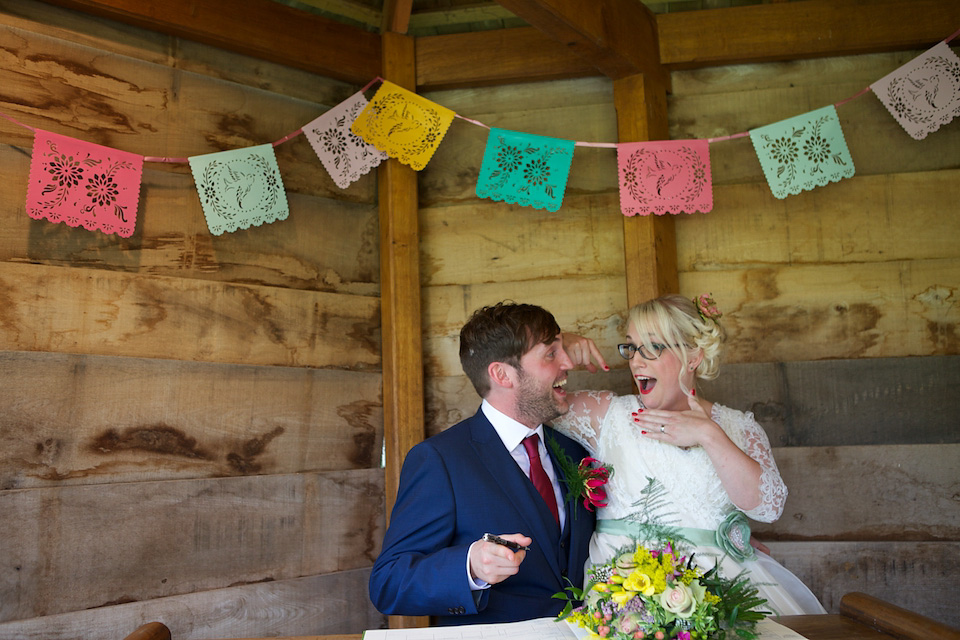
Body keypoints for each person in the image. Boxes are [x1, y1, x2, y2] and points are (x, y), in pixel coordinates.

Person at [554, 294, 826, 615]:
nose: (636, 361)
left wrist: (708, 434)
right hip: (625, 592)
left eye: (653, 347)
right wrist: (559, 346)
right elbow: (526, 401)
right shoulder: (606, 415)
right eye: (631, 347)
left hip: (721, 591)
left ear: (693, 356)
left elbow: (768, 507)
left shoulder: (739, 427)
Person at [369, 302, 600, 625]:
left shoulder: (575, 452)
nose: (567, 364)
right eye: (550, 354)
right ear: (502, 374)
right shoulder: (440, 461)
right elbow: (388, 584)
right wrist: (470, 568)